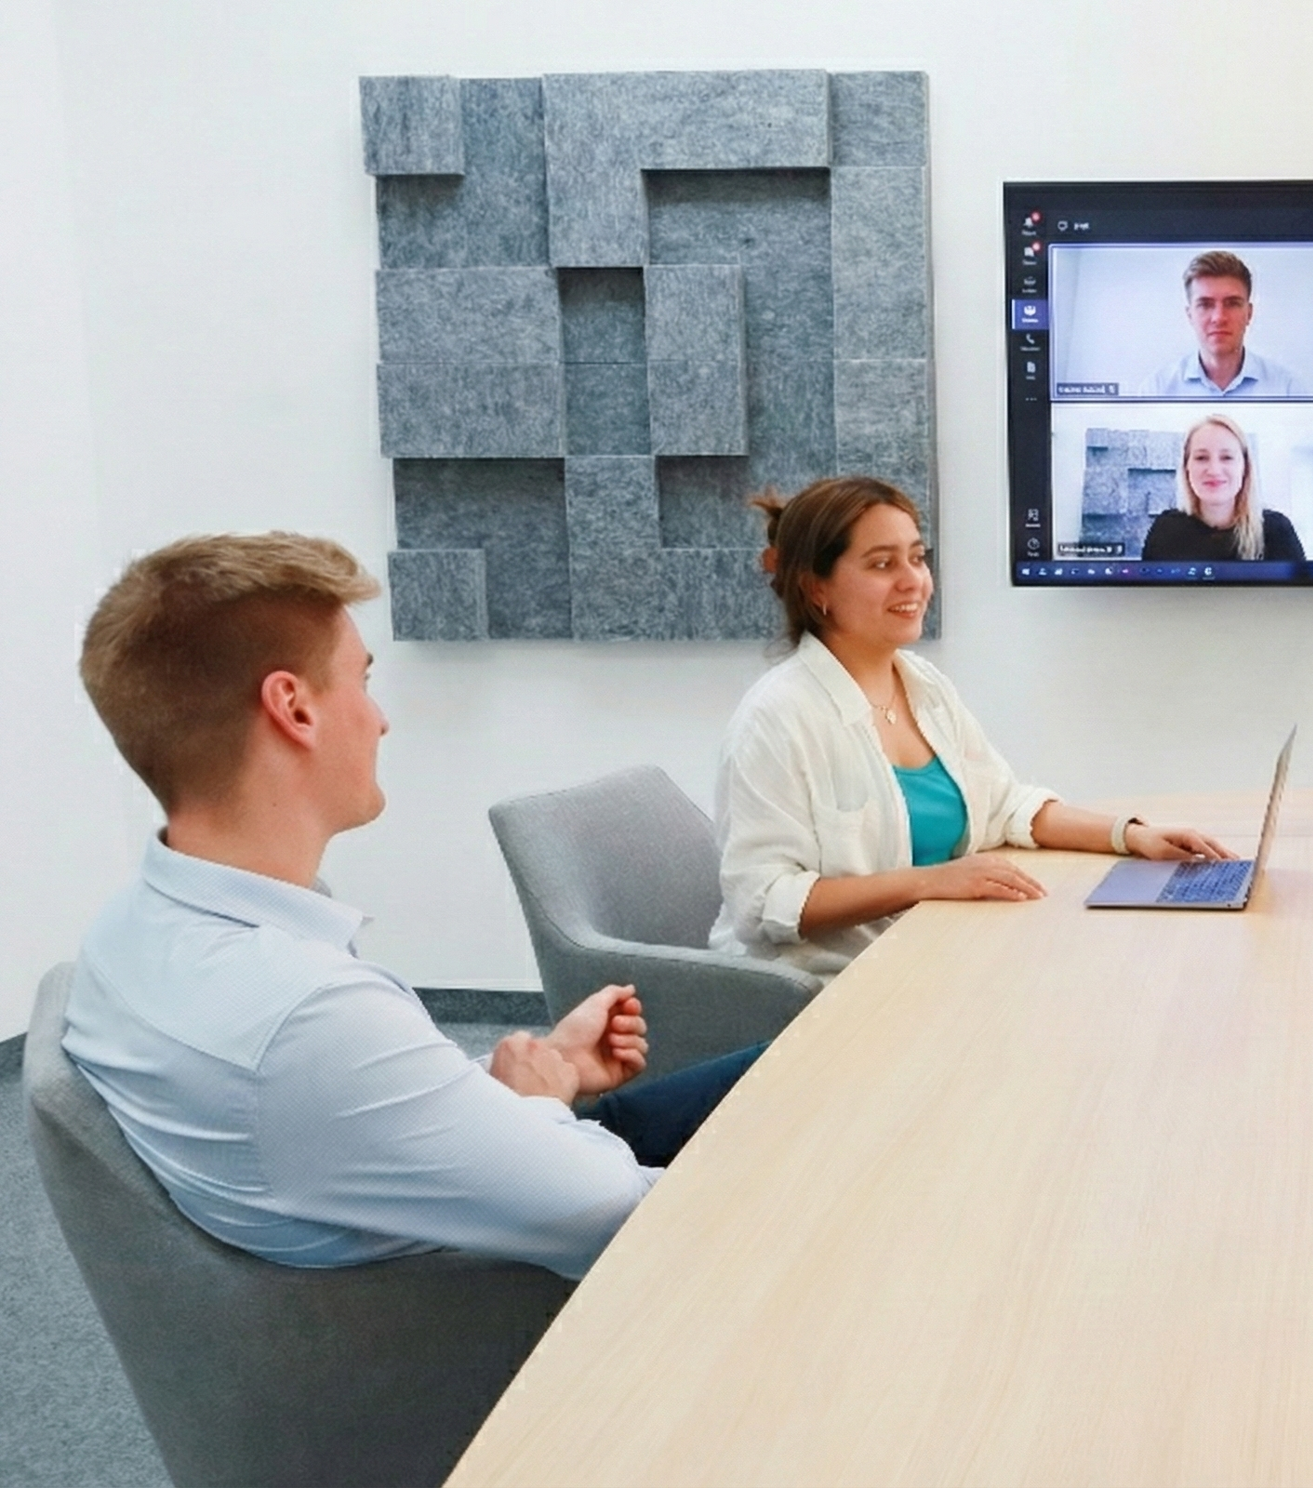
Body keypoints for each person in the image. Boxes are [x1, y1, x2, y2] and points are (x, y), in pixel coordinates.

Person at [65, 534, 760, 1280]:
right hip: (560, 1285)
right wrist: (540, 1106)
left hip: (488, 1191)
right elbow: (615, 1212)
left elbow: (352, 1109)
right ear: (293, 708)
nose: (380, 719)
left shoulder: (130, 932)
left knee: (808, 1067)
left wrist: (540, 1072)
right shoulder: (306, 1015)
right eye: (361, 683)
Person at [714, 476, 1232, 977]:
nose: (912, 580)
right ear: (815, 587)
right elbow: (763, 904)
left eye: (917, 558)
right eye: (881, 563)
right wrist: (930, 882)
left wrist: (1132, 835)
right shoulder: (777, 718)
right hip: (827, 991)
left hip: (932, 958)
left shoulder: (923, 685)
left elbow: (1005, 806)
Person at [1139, 415, 1307, 562]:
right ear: (1186, 467)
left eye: (1227, 457)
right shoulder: (1165, 529)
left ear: (1245, 468)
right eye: (1201, 457)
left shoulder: (1277, 530)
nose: (1214, 470)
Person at [1142, 250, 1300, 397]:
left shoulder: (1287, 388)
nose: (1219, 317)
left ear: (1249, 313)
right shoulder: (1157, 389)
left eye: (1232, 303)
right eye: (1205, 304)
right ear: (1190, 315)